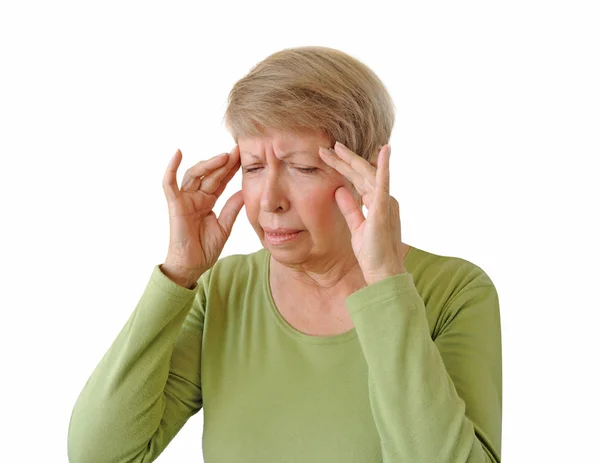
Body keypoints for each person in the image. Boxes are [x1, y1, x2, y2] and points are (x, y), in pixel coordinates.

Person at [67, 46, 502, 462]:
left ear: (367, 171)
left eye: (303, 167)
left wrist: (386, 285)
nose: (269, 199)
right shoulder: (224, 290)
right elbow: (100, 454)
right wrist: (177, 275)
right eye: (254, 168)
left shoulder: (455, 292)